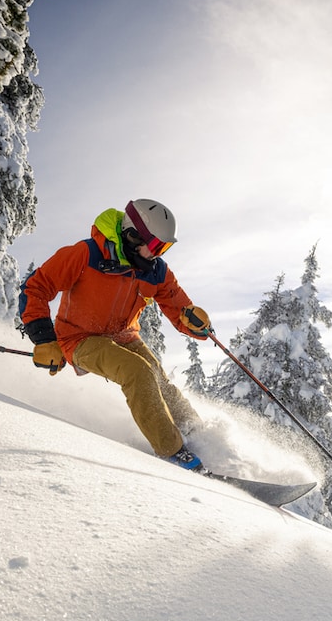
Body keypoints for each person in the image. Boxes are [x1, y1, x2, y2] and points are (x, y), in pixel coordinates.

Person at [18, 199, 212, 470]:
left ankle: (199, 435)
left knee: (158, 376)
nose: (158, 255)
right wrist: (44, 339)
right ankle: (173, 452)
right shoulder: (86, 255)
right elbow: (35, 288)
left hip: (124, 334)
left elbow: (179, 308)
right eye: (155, 246)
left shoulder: (155, 270)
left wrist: (196, 324)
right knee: (138, 371)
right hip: (78, 337)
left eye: (164, 248)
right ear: (132, 236)